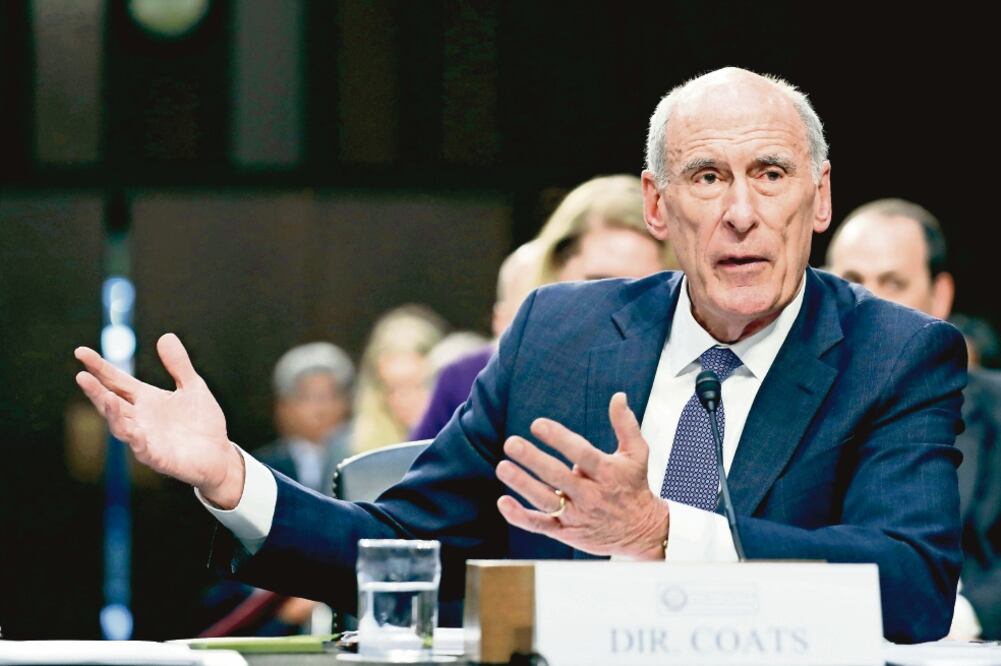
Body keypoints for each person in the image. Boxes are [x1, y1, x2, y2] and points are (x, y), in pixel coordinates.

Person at [75, 67, 966, 643]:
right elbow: (405, 544)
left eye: (770, 175)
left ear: (818, 200)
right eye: (706, 178)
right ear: (657, 208)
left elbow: (912, 583)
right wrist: (231, 477)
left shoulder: (895, 355)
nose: (740, 212)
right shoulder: (559, 336)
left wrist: (663, 535)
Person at [827, 198, 1001, 639]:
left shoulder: (996, 411)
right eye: (851, 280)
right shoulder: (792, 407)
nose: (869, 300)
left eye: (893, 282)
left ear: (939, 296)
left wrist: (963, 615)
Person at [413, 176, 680, 439]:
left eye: (643, 288)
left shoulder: (692, 386)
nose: (619, 305)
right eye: (600, 282)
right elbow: (418, 478)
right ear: (555, 270)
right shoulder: (479, 378)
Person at [255, 341, 355, 494]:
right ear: (283, 407)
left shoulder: (362, 458)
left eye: (332, 395)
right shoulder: (260, 469)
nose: (322, 409)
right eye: (308, 397)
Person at [350, 305, 448, 453]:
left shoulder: (473, 440)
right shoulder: (352, 446)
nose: (404, 400)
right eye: (392, 388)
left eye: (417, 385)